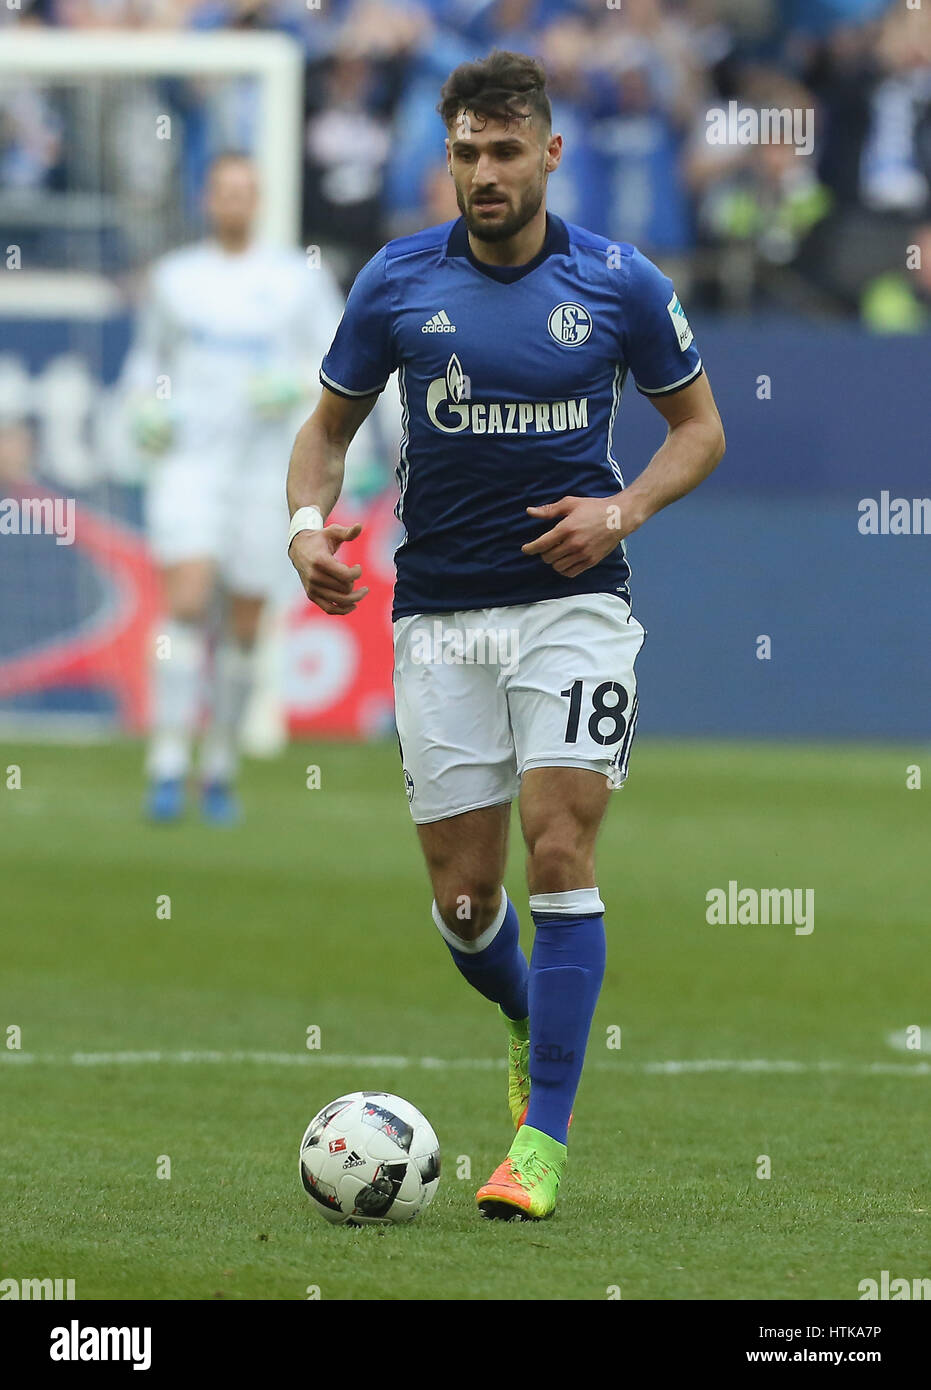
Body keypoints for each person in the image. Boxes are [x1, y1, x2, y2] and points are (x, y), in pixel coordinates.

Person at [287, 51, 725, 1219]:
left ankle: (541, 1138)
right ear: (449, 160)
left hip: (575, 610)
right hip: (437, 616)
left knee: (560, 847)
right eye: (464, 154)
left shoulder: (620, 283)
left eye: (503, 151)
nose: (483, 173)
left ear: (548, 154)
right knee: (469, 900)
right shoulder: (394, 283)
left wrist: (619, 510)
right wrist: (303, 525)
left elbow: (699, 432)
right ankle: (531, 1011)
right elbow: (324, 431)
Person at [122, 151, 345, 823]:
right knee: (186, 600)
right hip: (191, 463)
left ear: (261, 198)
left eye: (246, 190)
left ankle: (218, 766)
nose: (234, 201)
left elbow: (339, 361)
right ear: (206, 198)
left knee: (245, 620)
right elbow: (147, 363)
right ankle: (165, 761)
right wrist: (146, 408)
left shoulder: (296, 279)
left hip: (264, 469)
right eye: (223, 190)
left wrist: (296, 385)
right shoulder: (175, 279)